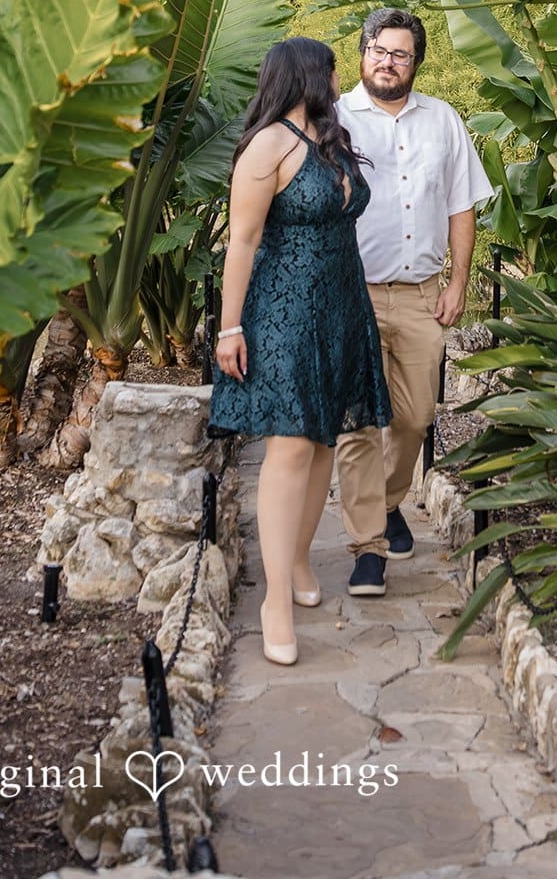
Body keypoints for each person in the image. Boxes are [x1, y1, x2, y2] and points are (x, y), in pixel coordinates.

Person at [210, 37, 391, 664]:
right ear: (308, 74)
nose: (342, 76)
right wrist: (229, 329)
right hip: (284, 311)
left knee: (322, 442)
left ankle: (297, 562)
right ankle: (275, 598)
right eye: (334, 67)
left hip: (341, 307)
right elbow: (242, 242)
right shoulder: (269, 146)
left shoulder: (328, 140)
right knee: (289, 445)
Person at [335, 9, 492, 595]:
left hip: (424, 296)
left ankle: (388, 500)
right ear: (362, 54)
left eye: (400, 53)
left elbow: (461, 205)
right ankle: (366, 547)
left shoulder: (443, 121)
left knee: (415, 416)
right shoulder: (335, 121)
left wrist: (458, 282)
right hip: (352, 295)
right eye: (378, 49)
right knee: (356, 423)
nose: (387, 60)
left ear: (416, 62)